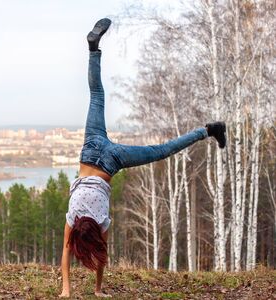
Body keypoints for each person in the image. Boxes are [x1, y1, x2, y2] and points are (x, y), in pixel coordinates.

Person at [59, 18, 226, 298]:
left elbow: (97, 257)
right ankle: (93, 50)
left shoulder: (100, 222)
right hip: (90, 150)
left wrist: (72, 291)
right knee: (97, 95)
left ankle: (208, 130)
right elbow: (77, 253)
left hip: (111, 161)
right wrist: (88, 291)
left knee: (162, 150)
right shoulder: (75, 217)